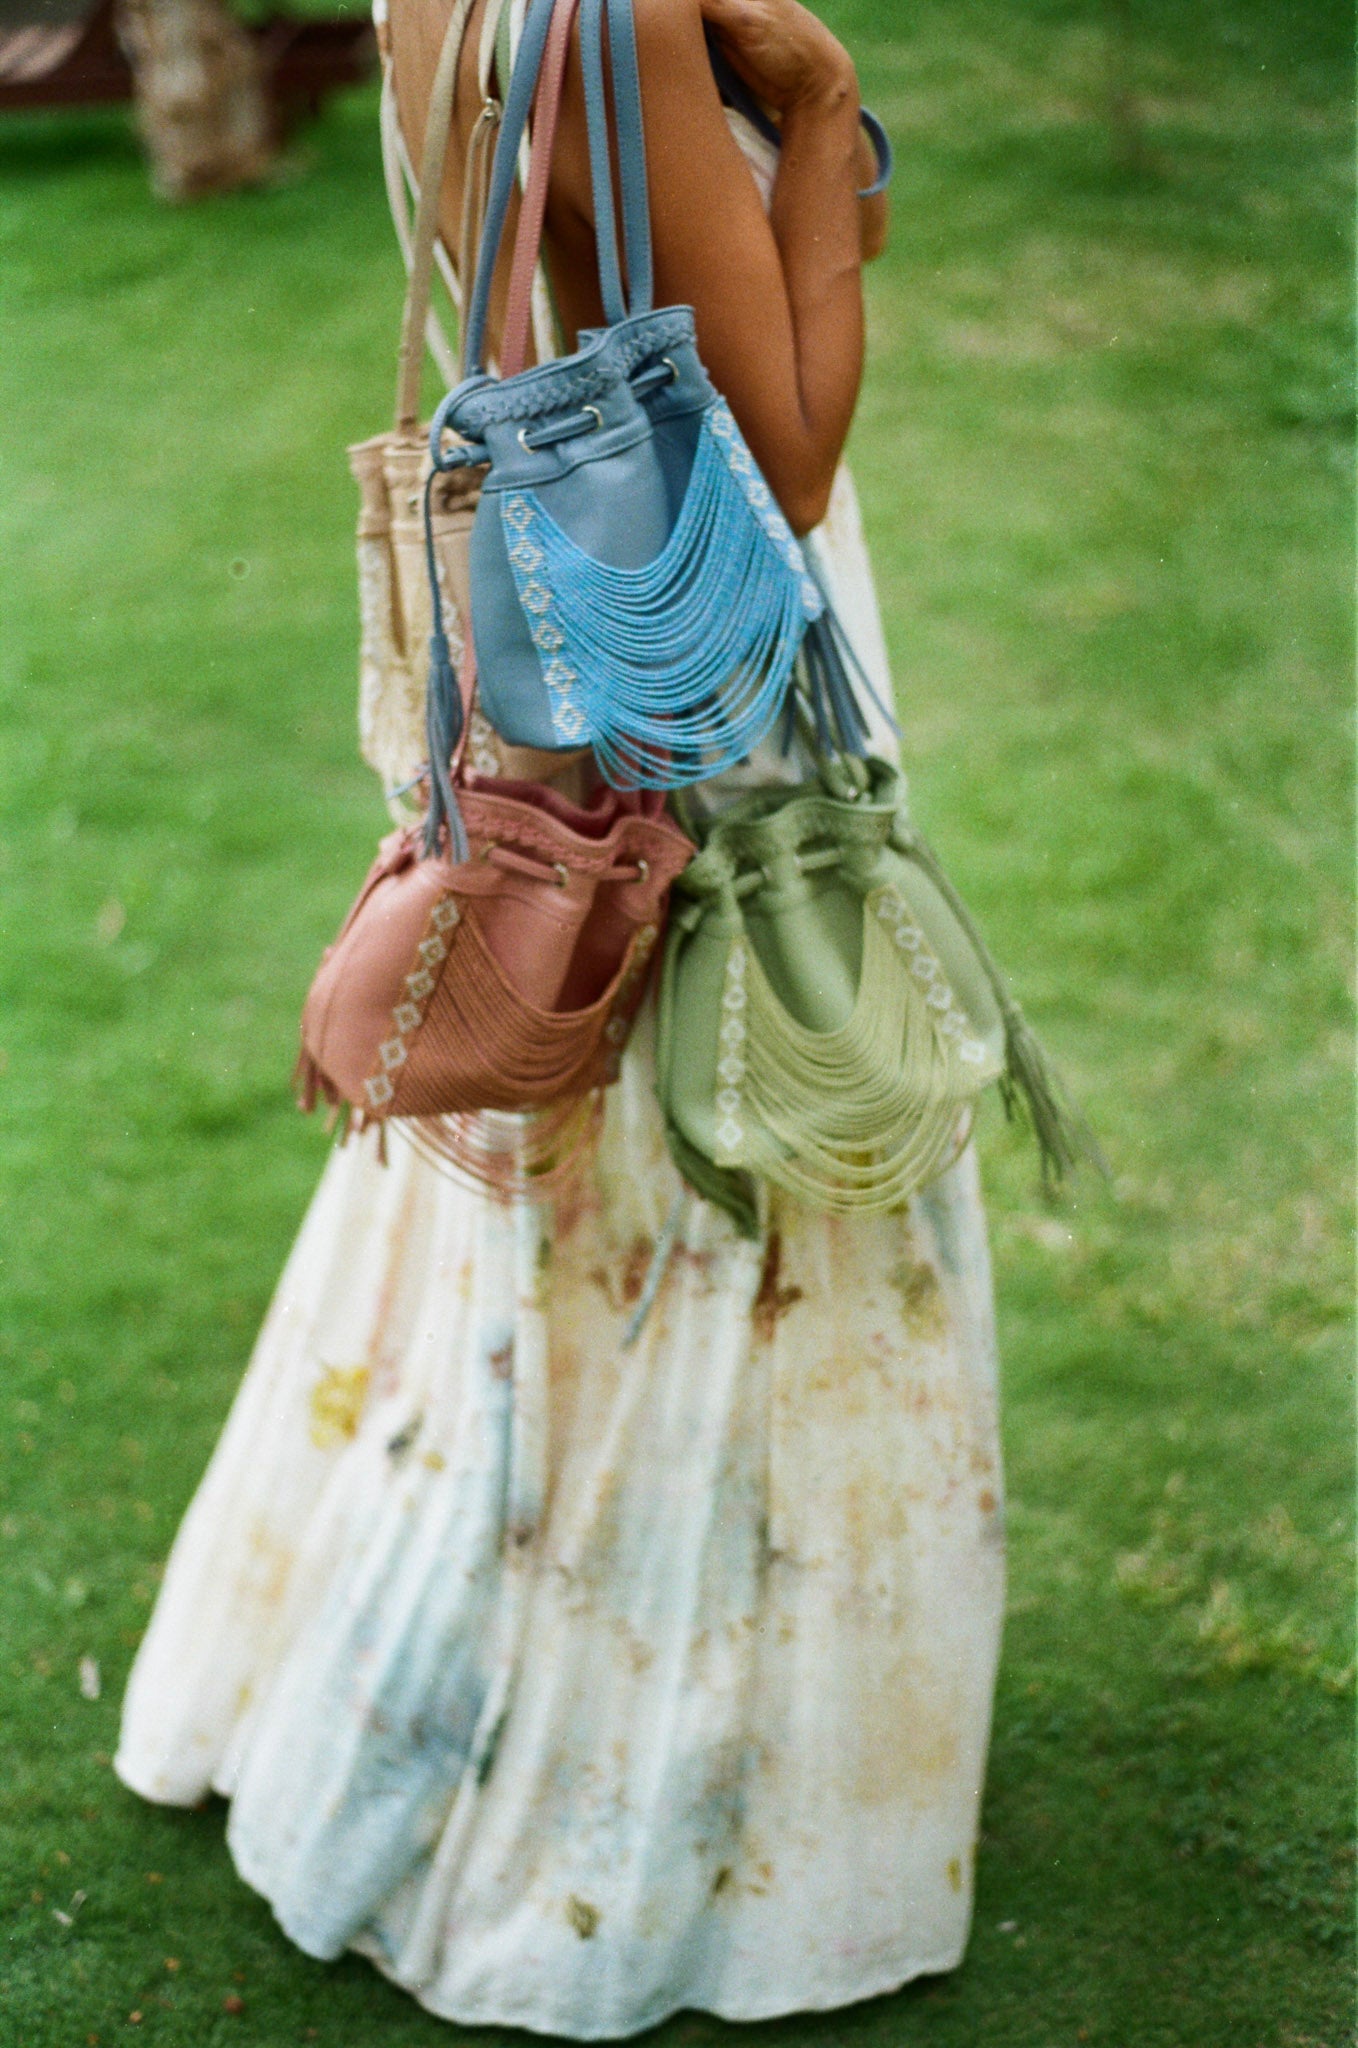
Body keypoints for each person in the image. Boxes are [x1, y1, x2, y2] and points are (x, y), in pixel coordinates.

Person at [115, 0, 1005, 2035]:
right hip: (698, 657)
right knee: (751, 1154)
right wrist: (821, 116)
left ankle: (418, 1674)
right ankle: (660, 1790)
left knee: (554, 1187)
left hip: (554, 650)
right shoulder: (622, 6)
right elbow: (781, 452)